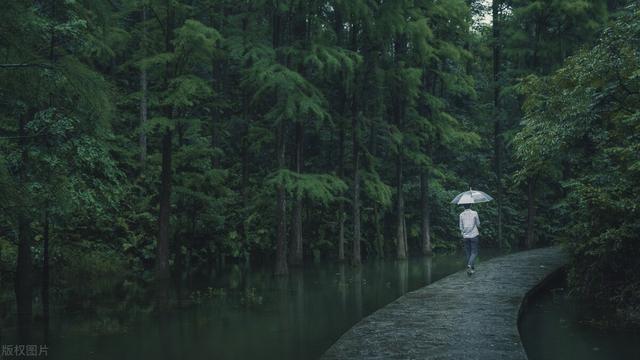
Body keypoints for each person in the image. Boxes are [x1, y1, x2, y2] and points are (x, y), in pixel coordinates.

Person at [459, 203, 480, 275]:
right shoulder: (475, 213)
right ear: (470, 205)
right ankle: (470, 265)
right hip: (474, 235)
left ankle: (471, 269)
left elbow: (461, 227)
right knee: (474, 252)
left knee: (468, 252)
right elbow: (478, 224)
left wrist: (464, 233)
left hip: (465, 236)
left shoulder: (461, 215)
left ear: (463, 206)